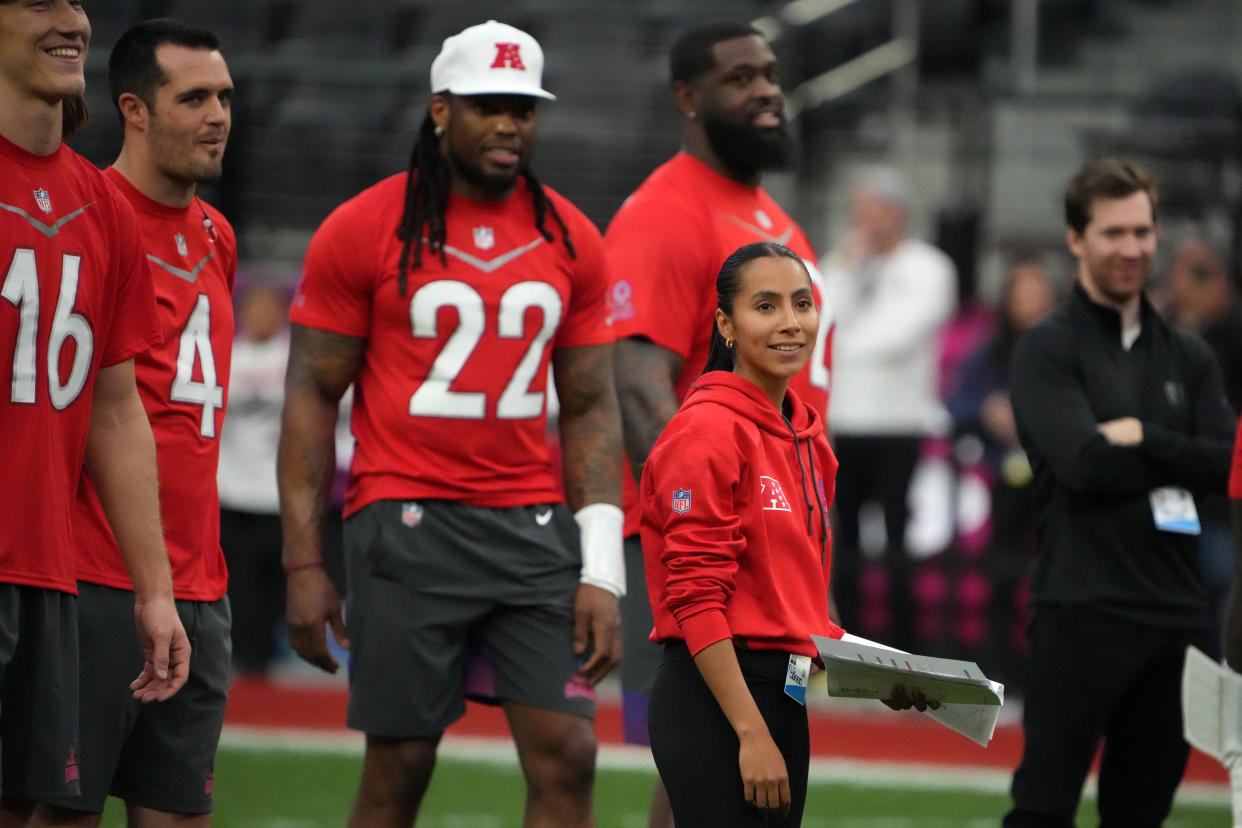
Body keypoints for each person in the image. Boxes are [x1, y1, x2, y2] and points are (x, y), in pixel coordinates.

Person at [278, 20, 623, 828]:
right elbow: (311, 393)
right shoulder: (363, 226)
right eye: (488, 106)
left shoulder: (571, 234)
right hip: (407, 522)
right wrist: (303, 560)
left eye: (525, 109)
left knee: (570, 757)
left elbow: (588, 406)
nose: (510, 125)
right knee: (401, 765)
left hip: (532, 529)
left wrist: (600, 566)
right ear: (440, 110)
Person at [604, 22, 831, 826]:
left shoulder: (766, 214)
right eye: (741, 78)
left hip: (773, 531)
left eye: (771, 74)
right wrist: (707, 514)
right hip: (716, 536)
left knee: (717, 785)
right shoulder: (667, 211)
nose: (766, 89)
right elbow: (634, 384)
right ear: (688, 98)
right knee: (706, 755)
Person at [33, 18, 237, 828]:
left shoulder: (217, 235)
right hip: (92, 577)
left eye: (224, 95)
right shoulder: (80, 218)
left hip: (200, 583)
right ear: (135, 110)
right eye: (193, 98)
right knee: (61, 813)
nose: (218, 114)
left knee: (180, 817)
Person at [642, 241, 921, 826]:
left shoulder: (809, 439)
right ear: (726, 324)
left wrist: (902, 675)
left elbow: (790, 605)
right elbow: (694, 596)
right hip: (721, 699)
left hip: (785, 696)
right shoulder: (706, 432)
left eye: (802, 303)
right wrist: (751, 732)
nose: (791, 323)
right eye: (765, 307)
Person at [0, 1, 189, 823]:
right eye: (41, 0)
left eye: (76, 1)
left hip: (44, 572)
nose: (72, 20)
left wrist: (155, 590)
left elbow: (116, 411)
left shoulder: (99, 204)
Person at [1004, 159, 1236, 827]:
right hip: (1080, 608)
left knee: (1142, 813)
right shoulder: (1046, 349)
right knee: (1042, 808)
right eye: (1112, 233)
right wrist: (1175, 453)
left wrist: (1145, 437)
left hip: (1176, 618)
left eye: (1142, 231)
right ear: (1077, 239)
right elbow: (1084, 467)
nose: (1131, 248)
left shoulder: (1188, 356)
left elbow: (1227, 468)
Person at [820, 165, 957, 653]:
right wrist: (848, 269)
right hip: (843, 422)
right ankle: (850, 642)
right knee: (844, 540)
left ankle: (905, 646)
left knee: (899, 539)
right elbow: (816, 318)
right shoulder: (842, 263)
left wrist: (842, 343)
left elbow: (897, 338)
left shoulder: (931, 267)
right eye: (858, 212)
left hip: (899, 424)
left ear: (897, 213)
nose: (863, 222)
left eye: (871, 211)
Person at [945, 254, 1058, 687]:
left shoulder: (1067, 350)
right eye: (1022, 293)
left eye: (1038, 293)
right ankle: (996, 672)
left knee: (1051, 580)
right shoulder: (989, 351)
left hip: (1058, 482)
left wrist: (1039, 417)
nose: (1030, 302)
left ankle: (1044, 675)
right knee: (1001, 575)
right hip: (1006, 479)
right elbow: (958, 403)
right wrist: (989, 411)